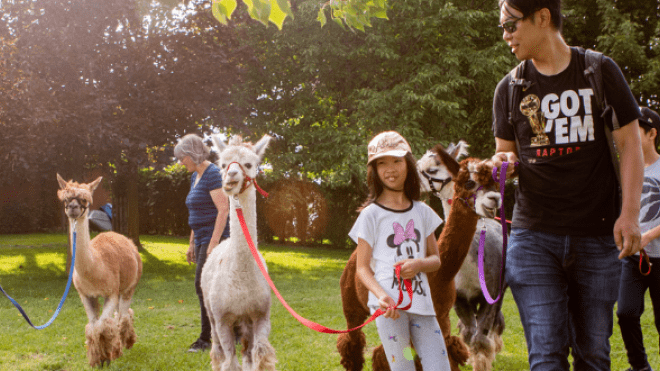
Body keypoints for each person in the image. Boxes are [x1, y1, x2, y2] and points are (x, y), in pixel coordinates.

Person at [490, 1, 645, 369]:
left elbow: (631, 144)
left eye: (511, 25)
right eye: (502, 27)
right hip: (533, 239)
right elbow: (505, 154)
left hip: (596, 236)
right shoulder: (509, 88)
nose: (506, 36)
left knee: (593, 353)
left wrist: (630, 214)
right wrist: (500, 164)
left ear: (542, 17)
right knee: (545, 353)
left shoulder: (599, 71)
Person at [348, 131, 450, 370]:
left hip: (423, 308)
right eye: (381, 163)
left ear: (408, 164)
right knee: (403, 365)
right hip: (389, 311)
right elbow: (362, 268)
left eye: (396, 160)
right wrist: (380, 296)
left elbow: (435, 260)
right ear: (374, 170)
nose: (390, 169)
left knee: (439, 366)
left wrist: (418, 265)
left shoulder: (423, 211)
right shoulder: (370, 215)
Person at [174, 133, 230, 353]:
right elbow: (195, 211)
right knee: (208, 287)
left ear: (193, 154)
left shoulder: (213, 174)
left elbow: (223, 209)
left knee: (203, 286)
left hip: (214, 238)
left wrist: (213, 243)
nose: (181, 162)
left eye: (183, 157)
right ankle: (228, 333)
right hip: (200, 238)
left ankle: (206, 339)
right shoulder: (194, 176)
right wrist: (191, 244)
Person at [617, 107, 660, 371]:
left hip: (659, 257)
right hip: (633, 259)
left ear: (652, 133)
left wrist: (647, 236)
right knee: (626, 313)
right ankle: (639, 367)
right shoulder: (624, 168)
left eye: (638, 129)